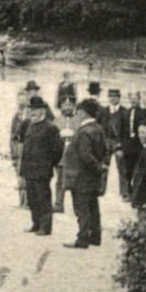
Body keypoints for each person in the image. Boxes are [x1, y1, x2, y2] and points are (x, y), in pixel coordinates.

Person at [61, 98, 108, 248]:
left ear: (83, 113)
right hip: (91, 178)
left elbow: (85, 156)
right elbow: (103, 152)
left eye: (79, 111)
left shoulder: (84, 132)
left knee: (82, 208)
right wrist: (99, 169)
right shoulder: (98, 129)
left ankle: (82, 239)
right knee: (93, 207)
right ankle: (95, 236)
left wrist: (96, 168)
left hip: (81, 177)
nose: (77, 114)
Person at [19, 96, 64, 236]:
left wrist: (48, 164)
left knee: (43, 198)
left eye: (35, 110)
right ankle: (36, 223)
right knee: (32, 198)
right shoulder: (28, 124)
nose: (32, 112)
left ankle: (45, 227)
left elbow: (58, 150)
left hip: (42, 170)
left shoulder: (51, 128)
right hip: (29, 168)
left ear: (42, 111)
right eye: (31, 109)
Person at [102, 87, 134, 201]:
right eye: (111, 97)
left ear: (119, 98)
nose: (113, 99)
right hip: (106, 141)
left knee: (123, 168)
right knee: (103, 166)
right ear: (108, 98)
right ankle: (100, 189)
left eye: (115, 97)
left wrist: (122, 146)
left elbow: (126, 131)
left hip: (118, 142)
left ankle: (125, 192)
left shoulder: (125, 112)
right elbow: (99, 128)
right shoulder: (103, 111)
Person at [54, 95, 79, 213]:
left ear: (74, 106)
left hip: (74, 157)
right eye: (65, 105)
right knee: (59, 180)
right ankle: (59, 203)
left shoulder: (78, 121)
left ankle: (77, 206)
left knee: (75, 181)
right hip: (60, 156)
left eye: (70, 105)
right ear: (61, 106)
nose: (67, 108)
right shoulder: (56, 121)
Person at [8, 87, 31, 209]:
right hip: (17, 147)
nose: (20, 103)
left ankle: (28, 201)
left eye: (23, 100)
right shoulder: (16, 116)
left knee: (27, 174)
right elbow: (12, 134)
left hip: (27, 147)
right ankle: (21, 201)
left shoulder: (30, 115)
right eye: (19, 100)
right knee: (18, 174)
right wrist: (12, 150)